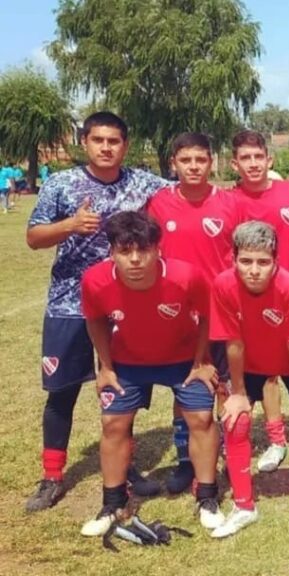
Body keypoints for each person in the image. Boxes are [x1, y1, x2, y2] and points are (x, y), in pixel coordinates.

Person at [25, 111, 167, 512]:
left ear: (125, 144)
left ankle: (124, 465)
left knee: (123, 391)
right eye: (99, 140)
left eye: (115, 141)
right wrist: (71, 224)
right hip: (69, 304)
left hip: (125, 307)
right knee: (61, 392)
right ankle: (52, 476)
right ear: (84, 142)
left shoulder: (142, 182)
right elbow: (34, 237)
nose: (107, 147)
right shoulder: (61, 184)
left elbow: (184, 189)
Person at [78, 211, 221, 537]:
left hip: (183, 358)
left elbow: (209, 315)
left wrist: (201, 361)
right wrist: (106, 367)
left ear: (158, 249)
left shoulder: (187, 276)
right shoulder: (95, 280)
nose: (135, 259)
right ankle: (113, 502)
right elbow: (96, 320)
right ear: (112, 252)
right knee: (113, 423)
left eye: (143, 250)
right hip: (127, 361)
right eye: (125, 251)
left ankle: (207, 497)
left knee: (201, 418)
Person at [211, 221, 289, 538]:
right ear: (233, 259)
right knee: (236, 420)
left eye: (263, 262)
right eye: (246, 261)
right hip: (251, 359)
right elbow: (232, 341)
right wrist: (238, 392)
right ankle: (244, 506)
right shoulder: (222, 285)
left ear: (275, 260)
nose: (254, 270)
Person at [146, 132, 244, 493]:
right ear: (174, 163)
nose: (193, 167)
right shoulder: (158, 203)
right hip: (175, 313)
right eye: (185, 161)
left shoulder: (231, 203)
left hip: (221, 311)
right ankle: (187, 460)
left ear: (211, 162)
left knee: (227, 385)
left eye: (200, 160)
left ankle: (232, 457)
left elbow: (241, 255)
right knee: (184, 386)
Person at [229, 130, 289, 475]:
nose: (252, 164)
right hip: (250, 300)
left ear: (270, 160)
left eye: (258, 157)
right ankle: (277, 440)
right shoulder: (229, 201)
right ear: (235, 163)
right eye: (245, 158)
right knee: (264, 374)